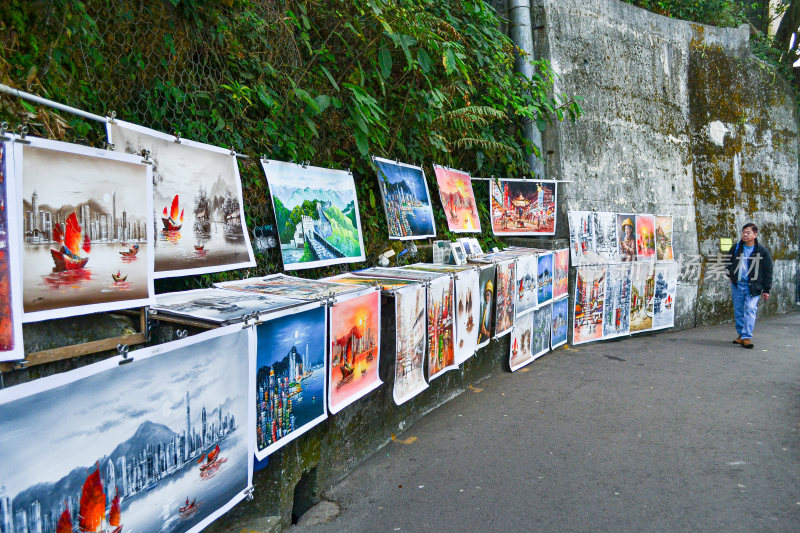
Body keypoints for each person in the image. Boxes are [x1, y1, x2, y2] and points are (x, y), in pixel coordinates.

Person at [726, 223, 772, 349]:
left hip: (754, 286)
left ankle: (746, 337)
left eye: (748, 233)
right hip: (737, 285)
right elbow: (728, 261)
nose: (745, 235)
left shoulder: (762, 251)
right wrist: (731, 275)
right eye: (743, 232)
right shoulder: (736, 247)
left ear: (755, 235)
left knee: (751, 309)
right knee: (739, 311)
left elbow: (768, 270)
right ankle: (741, 334)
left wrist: (766, 289)